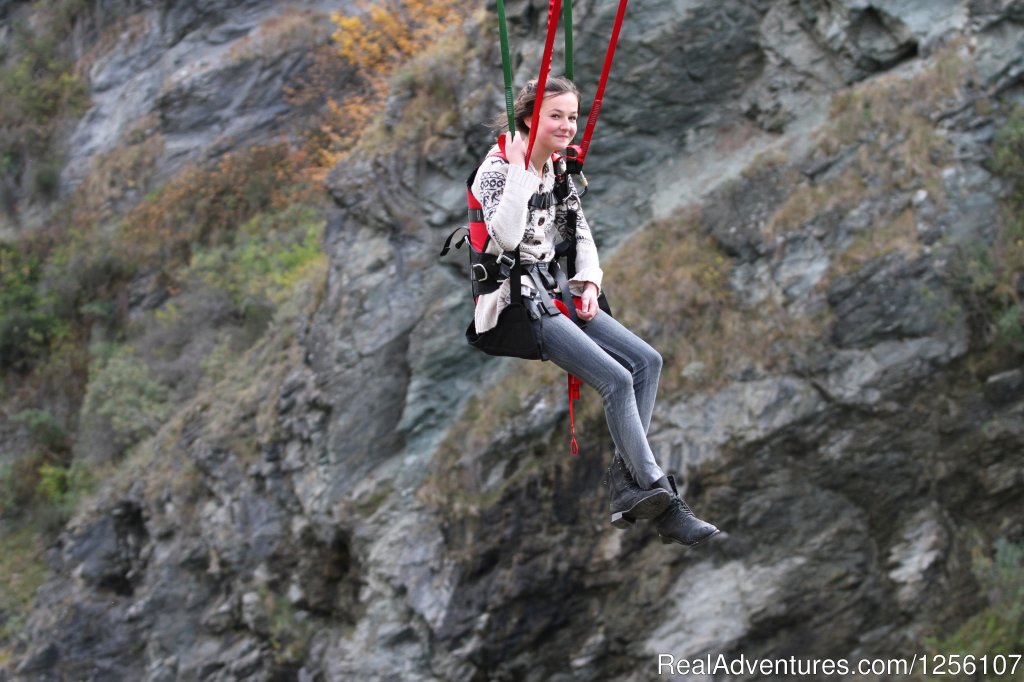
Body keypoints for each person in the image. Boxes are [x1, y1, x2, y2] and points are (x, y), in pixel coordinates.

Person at [470, 76, 719, 546]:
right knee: (617, 380)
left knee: (647, 361)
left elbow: (577, 228)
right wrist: (523, 173)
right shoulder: (499, 169)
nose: (567, 126)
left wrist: (589, 279)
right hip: (518, 302)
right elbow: (501, 238)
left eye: (571, 116)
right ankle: (662, 497)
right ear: (529, 119)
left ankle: (627, 483)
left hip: (556, 289)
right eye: (555, 116)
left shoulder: (558, 169)